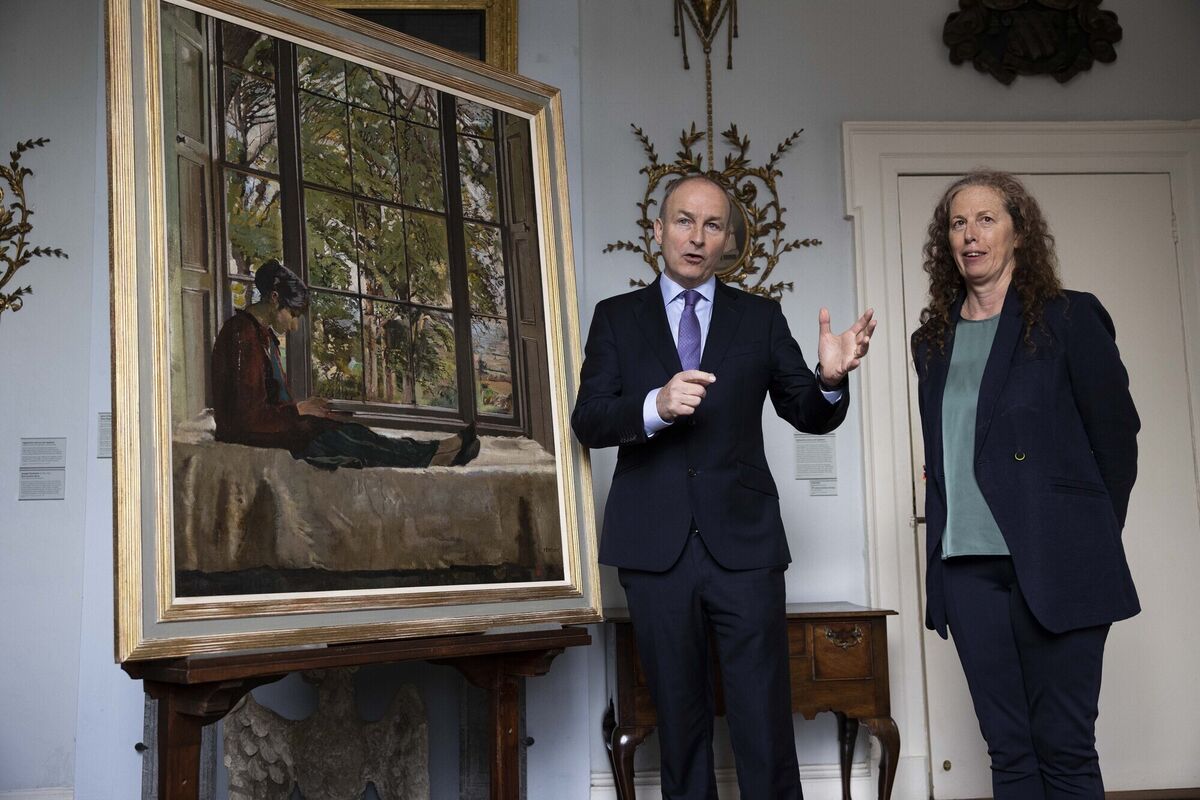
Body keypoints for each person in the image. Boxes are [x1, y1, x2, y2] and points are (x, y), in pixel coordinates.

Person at [572, 175, 876, 799]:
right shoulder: (616, 318)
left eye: (712, 225)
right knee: (679, 722)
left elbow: (807, 411)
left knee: (763, 717)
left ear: (727, 241)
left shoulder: (759, 318)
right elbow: (590, 419)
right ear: (657, 230)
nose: (696, 236)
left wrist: (827, 375)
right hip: (653, 548)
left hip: (745, 545)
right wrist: (654, 405)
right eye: (684, 221)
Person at [910, 170, 1140, 799]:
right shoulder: (931, 341)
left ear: (1018, 232)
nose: (970, 234)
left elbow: (1117, 440)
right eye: (958, 223)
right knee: (1008, 752)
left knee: (1064, 748)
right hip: (968, 570)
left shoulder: (1069, 318)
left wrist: (1082, 535)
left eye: (986, 219)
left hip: (1058, 561)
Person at [210, 259, 479, 469]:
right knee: (353, 440)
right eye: (292, 314)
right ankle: (437, 454)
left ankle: (436, 450)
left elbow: (271, 404)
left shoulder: (263, 336)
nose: (294, 325)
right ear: (274, 299)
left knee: (353, 433)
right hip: (261, 435)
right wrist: (299, 411)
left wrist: (303, 411)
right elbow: (244, 419)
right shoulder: (240, 336)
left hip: (279, 429)